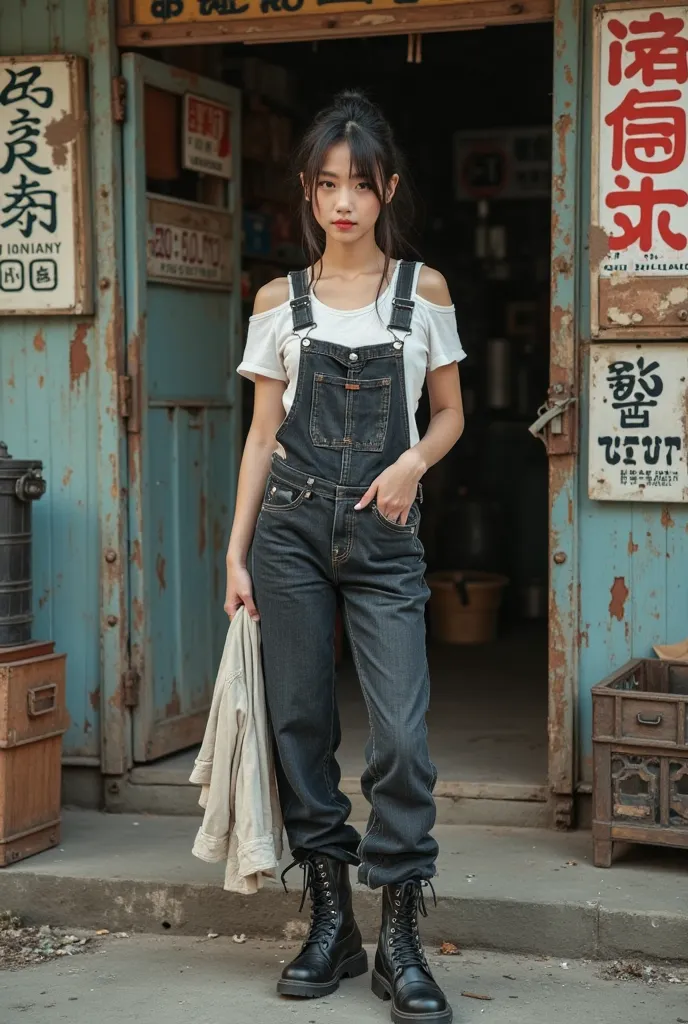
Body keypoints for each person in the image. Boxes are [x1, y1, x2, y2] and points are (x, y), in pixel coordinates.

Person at [226, 90, 465, 1024]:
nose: (343, 203)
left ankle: (400, 931)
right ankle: (331, 920)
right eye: (327, 184)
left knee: (401, 738)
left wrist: (411, 461)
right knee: (299, 730)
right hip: (286, 531)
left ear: (387, 189)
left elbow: (449, 414)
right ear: (307, 190)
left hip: (383, 536)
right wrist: (235, 552)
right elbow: (259, 437)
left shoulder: (425, 292)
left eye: (360, 185)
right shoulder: (277, 301)